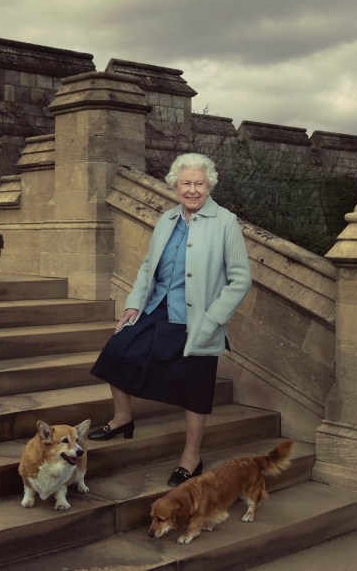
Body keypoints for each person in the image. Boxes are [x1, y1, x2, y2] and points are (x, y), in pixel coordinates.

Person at [88, 152, 252, 486]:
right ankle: (122, 418)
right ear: (175, 185)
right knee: (116, 353)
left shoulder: (225, 222)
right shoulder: (166, 220)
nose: (192, 189)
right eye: (185, 183)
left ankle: (191, 458)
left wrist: (214, 319)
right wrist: (133, 304)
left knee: (195, 388)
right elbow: (149, 266)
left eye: (199, 183)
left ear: (209, 185)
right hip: (157, 308)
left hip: (197, 319)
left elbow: (240, 278)